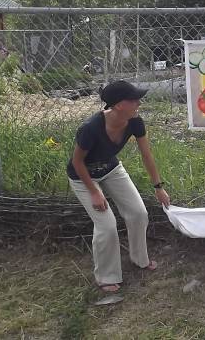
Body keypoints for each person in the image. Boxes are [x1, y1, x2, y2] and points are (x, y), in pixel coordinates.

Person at [67, 80, 171, 292]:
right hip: (83, 176)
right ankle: (106, 276)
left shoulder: (135, 122)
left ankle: (139, 259)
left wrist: (158, 186)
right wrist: (94, 192)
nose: (138, 103)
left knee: (139, 213)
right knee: (106, 225)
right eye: (133, 100)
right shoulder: (90, 128)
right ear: (117, 105)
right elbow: (77, 162)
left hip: (111, 169)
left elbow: (146, 155)